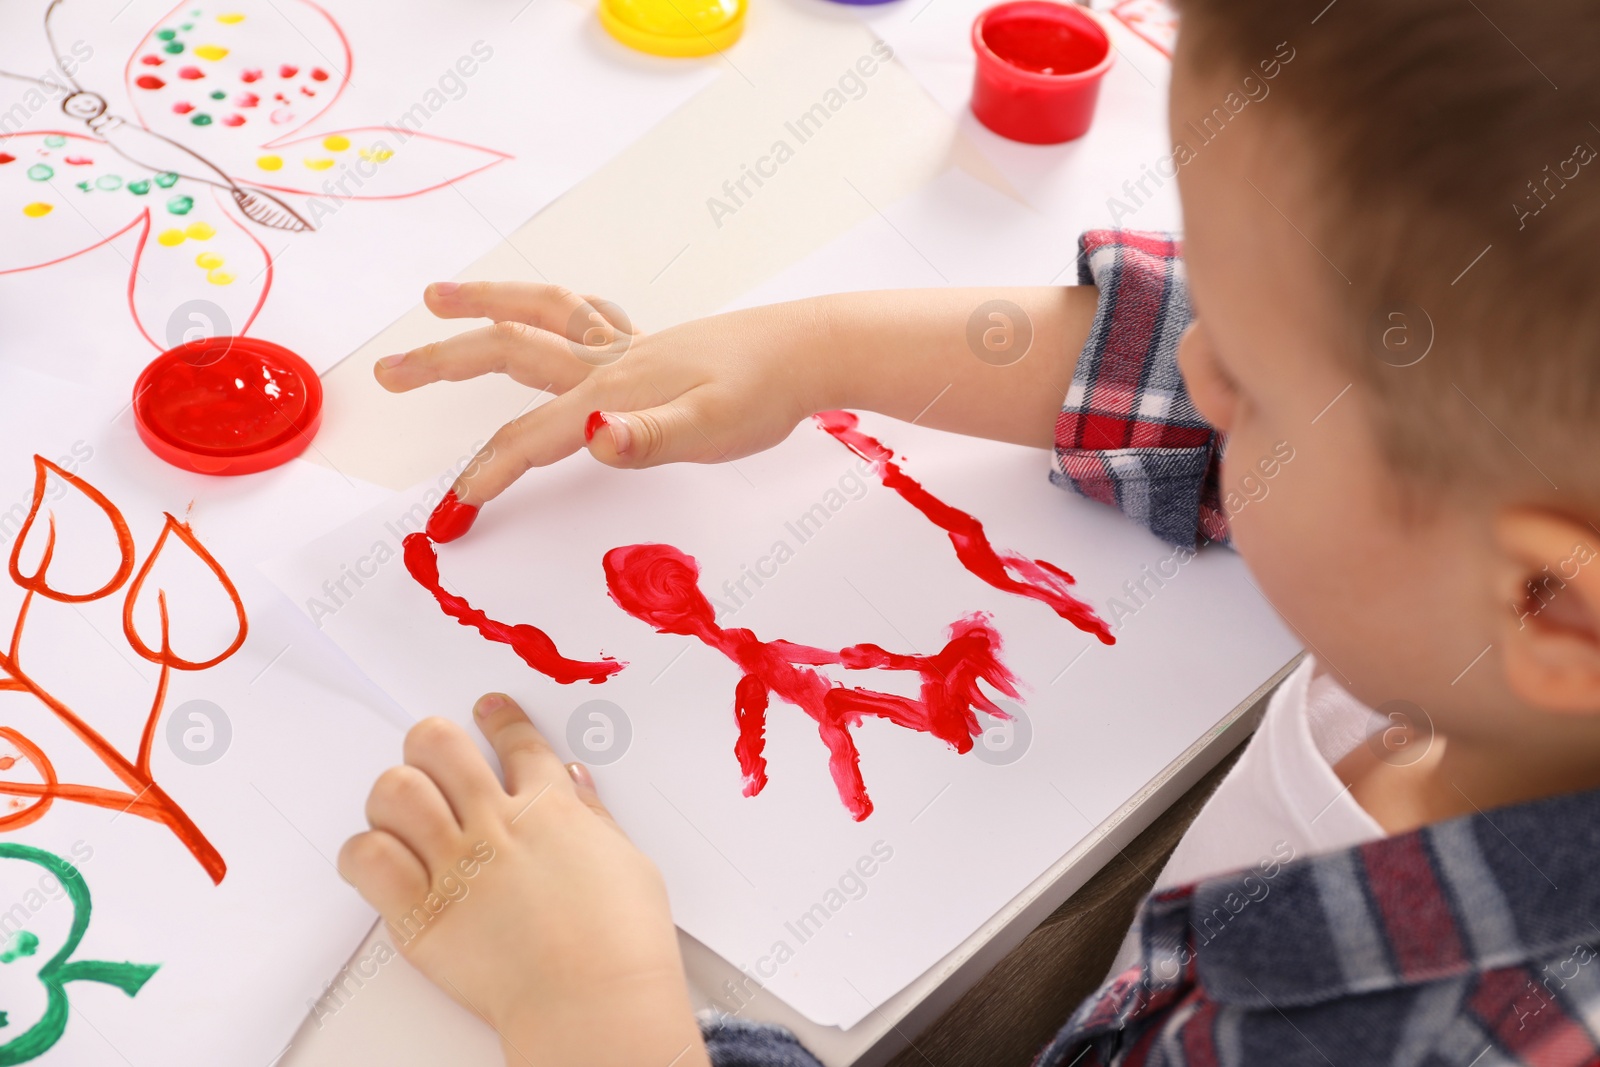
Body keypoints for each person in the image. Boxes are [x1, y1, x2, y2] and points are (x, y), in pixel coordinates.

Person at [338, 0, 1600, 1062]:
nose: (1199, 369)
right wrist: (809, 347)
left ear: (1546, 605)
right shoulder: (1499, 578)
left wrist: (596, 1008)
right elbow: (1240, 361)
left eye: (1258, 383)